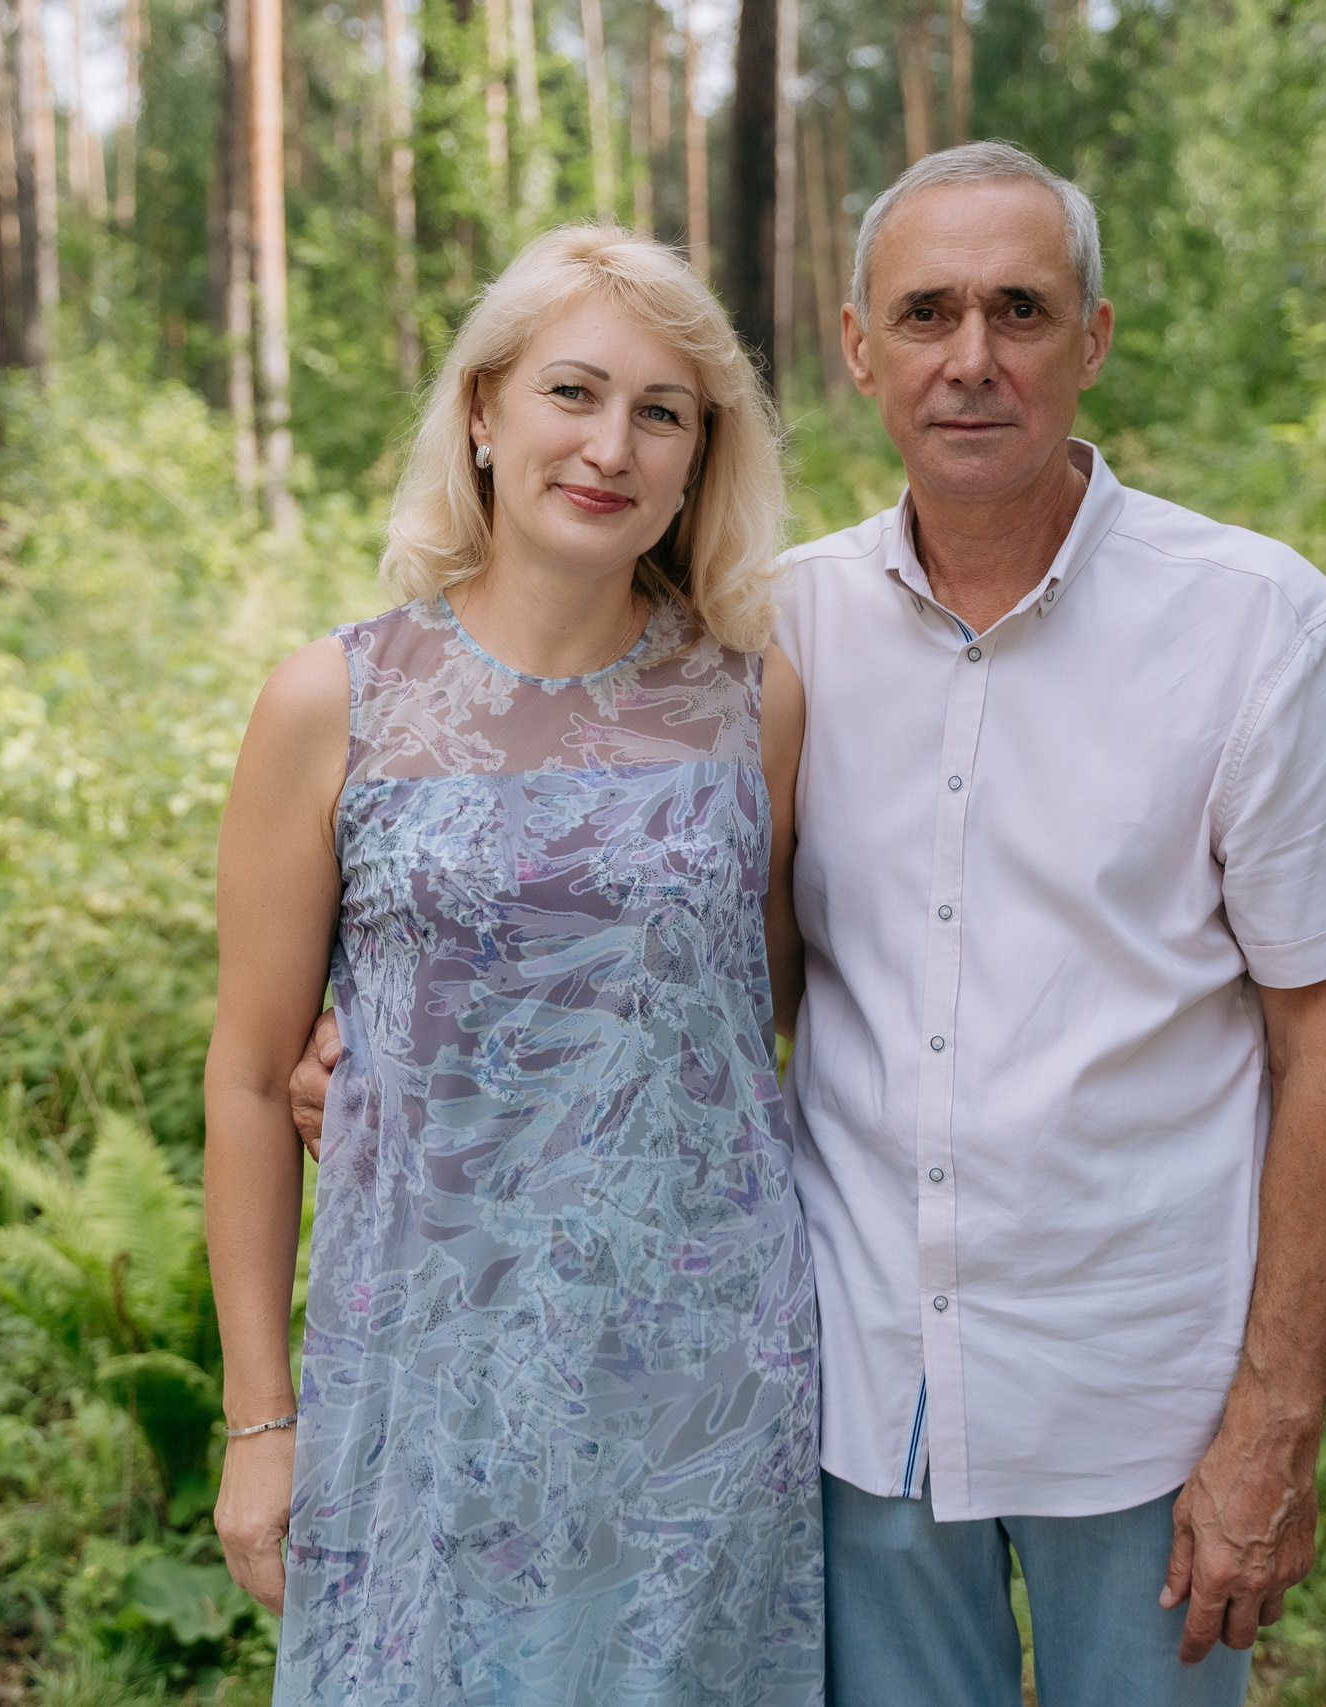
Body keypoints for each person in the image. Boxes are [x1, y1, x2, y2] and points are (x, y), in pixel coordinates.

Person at [296, 143, 1326, 1706]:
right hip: (855, 1395)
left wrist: (1276, 1420)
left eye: (1020, 311)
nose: (972, 359)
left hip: (1140, 1408)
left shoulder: (1258, 628)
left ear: (1092, 338)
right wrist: (422, 1041)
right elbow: (676, 961)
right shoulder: (776, 642)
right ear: (858, 347)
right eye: (927, 313)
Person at [204, 225, 823, 1706]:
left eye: (661, 412)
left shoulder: (757, 702)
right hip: (422, 1378)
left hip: (700, 1394)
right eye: (573, 392)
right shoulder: (330, 701)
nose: (610, 445)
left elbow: (762, 1015)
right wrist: (259, 1419)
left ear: (696, 459)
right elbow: (243, 1078)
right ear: (483, 413)